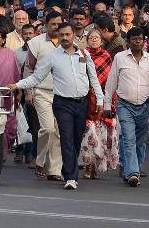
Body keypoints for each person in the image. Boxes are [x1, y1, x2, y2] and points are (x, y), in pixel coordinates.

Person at [8, 22, 104, 190]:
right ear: (58, 37)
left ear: (74, 35)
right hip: (62, 103)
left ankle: (71, 170)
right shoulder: (53, 57)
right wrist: (18, 85)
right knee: (65, 138)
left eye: (68, 34)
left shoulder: (84, 53)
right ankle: (71, 177)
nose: (65, 38)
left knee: (75, 139)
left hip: (82, 103)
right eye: (62, 35)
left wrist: (101, 101)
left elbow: (93, 78)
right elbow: (36, 77)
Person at [103, 27, 149, 187]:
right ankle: (132, 172)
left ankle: (131, 167)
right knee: (129, 138)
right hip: (124, 104)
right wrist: (106, 104)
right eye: (134, 39)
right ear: (128, 42)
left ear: (145, 41)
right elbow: (111, 82)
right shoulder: (120, 58)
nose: (138, 42)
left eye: (141, 39)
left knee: (140, 140)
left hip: (143, 106)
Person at [22, 11, 65, 181]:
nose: (56, 27)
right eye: (53, 24)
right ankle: (39, 160)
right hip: (41, 92)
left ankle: (54, 170)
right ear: (46, 24)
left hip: (62, 94)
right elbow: (29, 68)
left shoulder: (67, 42)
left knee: (58, 132)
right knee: (47, 128)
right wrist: (28, 91)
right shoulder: (36, 43)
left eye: (58, 24)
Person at [79, 29, 119, 179]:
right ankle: (88, 166)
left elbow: (110, 79)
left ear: (102, 41)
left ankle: (95, 165)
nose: (94, 40)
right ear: (87, 40)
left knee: (100, 135)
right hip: (87, 98)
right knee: (89, 134)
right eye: (91, 38)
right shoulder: (82, 55)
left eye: (97, 38)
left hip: (103, 98)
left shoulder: (106, 56)